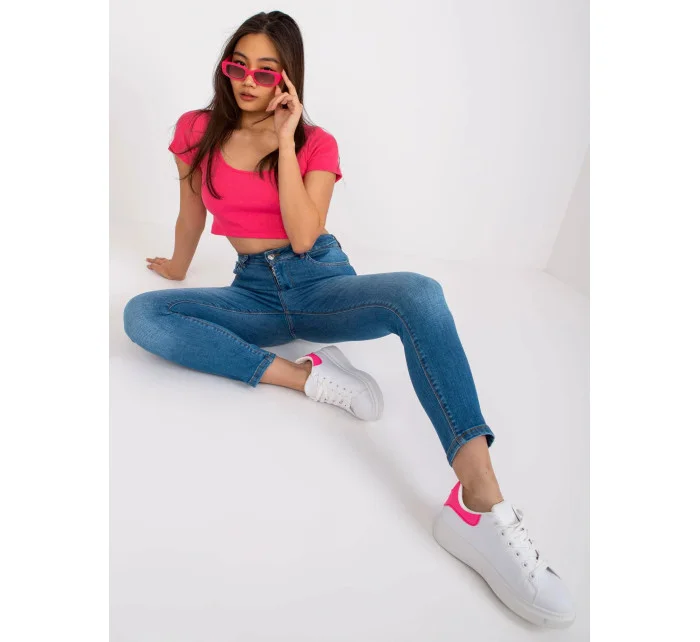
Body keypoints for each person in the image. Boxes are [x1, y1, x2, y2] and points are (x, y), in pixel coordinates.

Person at [122, 10, 576, 629]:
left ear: (288, 78)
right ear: (225, 67)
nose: (248, 80)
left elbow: (304, 237)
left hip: (321, 284)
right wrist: (177, 267)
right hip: (252, 292)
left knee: (420, 295)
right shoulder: (195, 130)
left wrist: (285, 142)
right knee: (143, 316)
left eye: (266, 71)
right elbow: (191, 212)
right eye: (238, 66)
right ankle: (308, 376)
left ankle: (479, 503)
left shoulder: (316, 144)